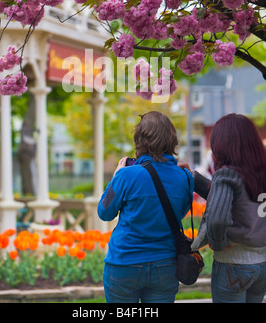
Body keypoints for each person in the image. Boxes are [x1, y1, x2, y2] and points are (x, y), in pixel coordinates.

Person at [97, 111, 194, 303]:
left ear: (139, 140)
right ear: (171, 139)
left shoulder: (126, 175)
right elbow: (178, 215)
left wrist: (116, 177)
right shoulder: (185, 177)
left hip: (124, 263)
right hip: (165, 265)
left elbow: (105, 212)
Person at [191, 113, 266, 303]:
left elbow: (217, 218)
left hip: (233, 264)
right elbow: (238, 201)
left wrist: (218, 244)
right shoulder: (259, 175)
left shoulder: (227, 174)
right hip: (262, 264)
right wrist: (194, 179)